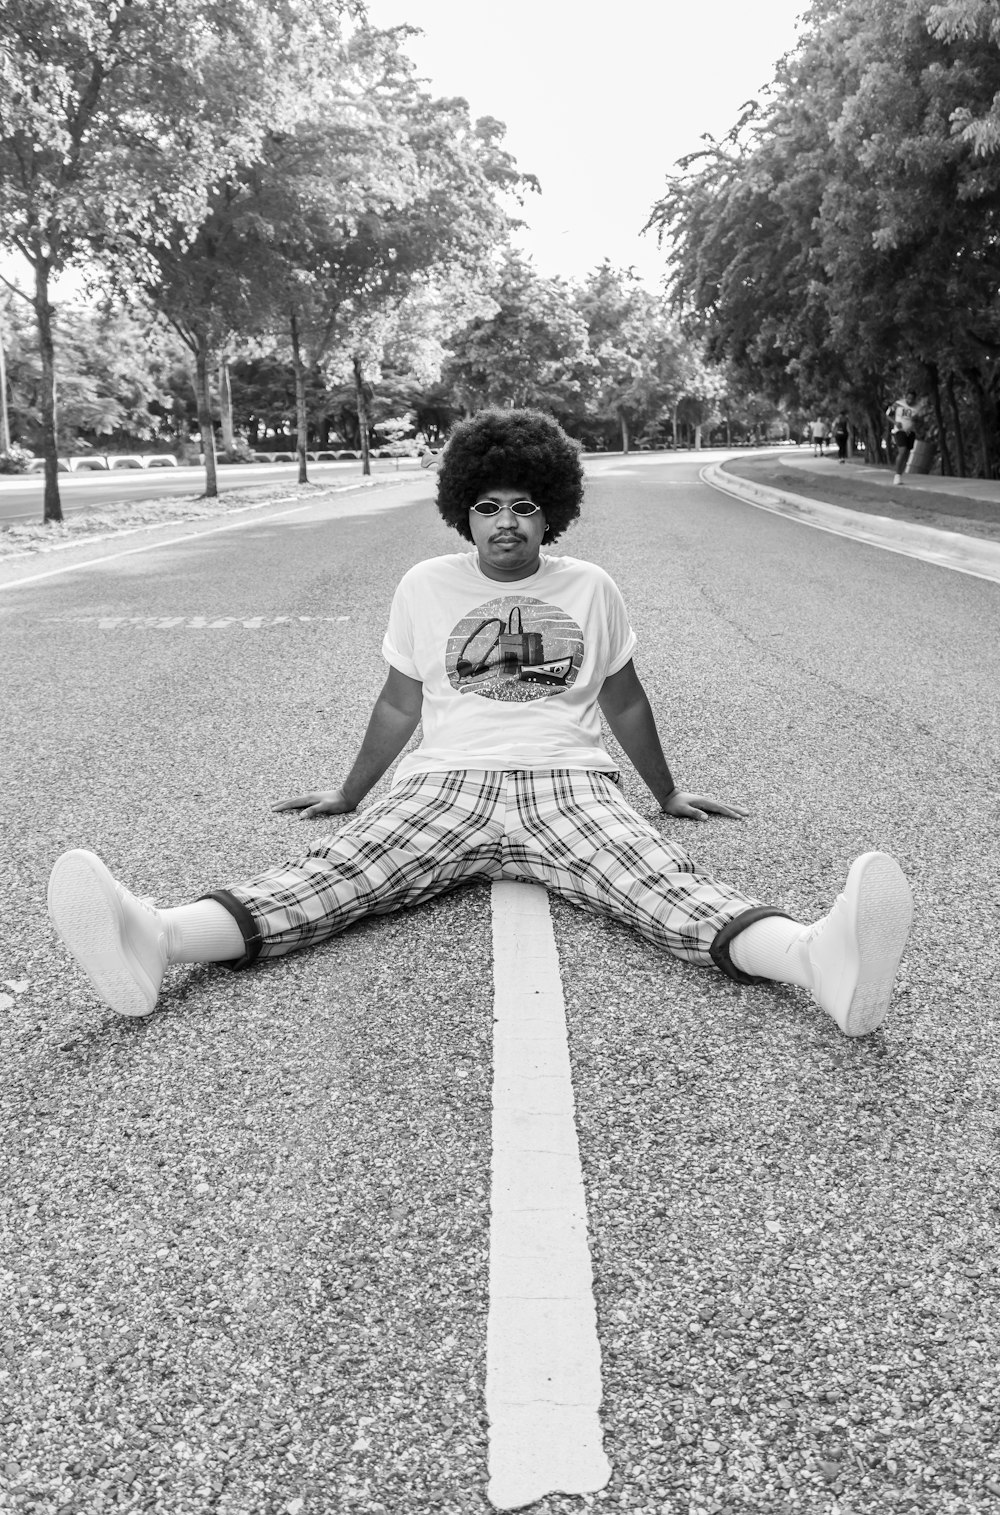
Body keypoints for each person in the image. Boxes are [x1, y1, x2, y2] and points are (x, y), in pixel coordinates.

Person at [47, 409, 913, 1041]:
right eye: (490, 504)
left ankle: (818, 957)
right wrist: (349, 791)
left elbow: (624, 700)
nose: (507, 521)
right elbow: (399, 702)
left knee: (659, 885)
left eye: (525, 506)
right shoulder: (427, 585)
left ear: (554, 513)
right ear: (464, 509)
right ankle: (154, 937)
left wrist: (670, 791)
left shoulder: (591, 587)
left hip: (570, 781)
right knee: (334, 876)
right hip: (444, 782)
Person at [887, 389, 918, 484]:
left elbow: (917, 420)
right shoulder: (898, 404)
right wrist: (895, 423)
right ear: (905, 397)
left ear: (914, 399)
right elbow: (888, 415)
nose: (909, 401)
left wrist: (915, 420)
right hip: (899, 431)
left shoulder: (917, 408)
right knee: (902, 450)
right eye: (908, 398)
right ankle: (896, 475)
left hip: (910, 432)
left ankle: (900, 475)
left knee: (906, 454)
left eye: (912, 399)